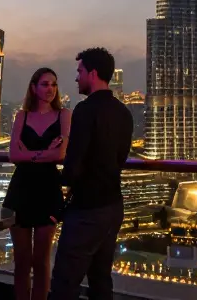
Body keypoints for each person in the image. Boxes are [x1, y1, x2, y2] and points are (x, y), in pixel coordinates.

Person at [49, 48, 132, 300]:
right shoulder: (124, 113)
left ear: (93, 73)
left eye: (80, 71)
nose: (76, 78)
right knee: (101, 280)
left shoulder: (85, 110)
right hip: (113, 207)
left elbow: (74, 165)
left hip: (86, 210)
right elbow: (119, 159)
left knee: (65, 282)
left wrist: (58, 183)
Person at [2, 68, 71, 300]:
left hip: (48, 191)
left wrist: (29, 154)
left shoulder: (64, 115)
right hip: (20, 190)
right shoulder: (22, 116)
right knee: (21, 261)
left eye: (53, 84)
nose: (50, 89)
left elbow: (61, 155)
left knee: (41, 261)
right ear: (33, 87)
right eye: (44, 84)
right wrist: (44, 153)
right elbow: (13, 154)